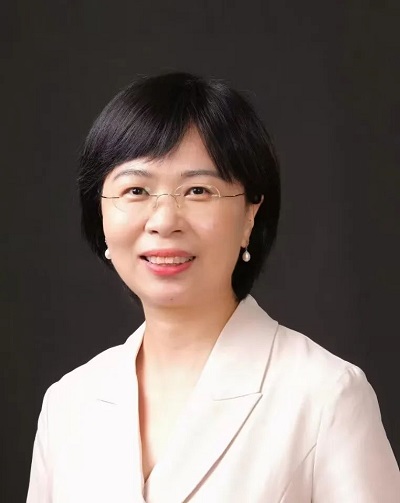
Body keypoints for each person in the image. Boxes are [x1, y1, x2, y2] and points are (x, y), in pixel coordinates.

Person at [27, 72, 399, 503]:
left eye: (198, 190)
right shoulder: (68, 404)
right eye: (136, 189)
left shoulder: (326, 396)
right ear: (101, 214)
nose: (164, 221)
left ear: (250, 215)